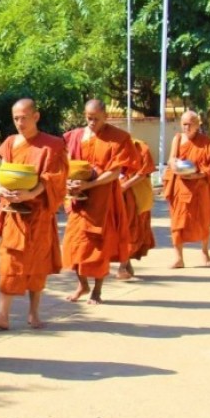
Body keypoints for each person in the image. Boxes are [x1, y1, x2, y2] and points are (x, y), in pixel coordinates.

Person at [0, 99, 67, 331]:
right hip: (14, 215)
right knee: (9, 263)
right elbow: (4, 172)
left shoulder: (52, 145)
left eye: (24, 118)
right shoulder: (10, 142)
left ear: (36, 116)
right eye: (16, 118)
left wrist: (31, 194)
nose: (20, 122)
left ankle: (34, 313)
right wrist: (1, 189)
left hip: (38, 214)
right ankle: (2, 315)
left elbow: (53, 178)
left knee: (37, 266)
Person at [62, 100, 132, 304]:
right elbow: (66, 163)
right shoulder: (75, 136)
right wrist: (70, 182)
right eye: (88, 118)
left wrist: (88, 185)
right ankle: (82, 284)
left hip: (103, 199)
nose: (91, 122)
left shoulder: (118, 138)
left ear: (106, 116)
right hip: (79, 200)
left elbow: (115, 172)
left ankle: (97, 291)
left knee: (100, 245)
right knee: (73, 244)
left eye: (96, 119)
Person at [164, 111, 210, 268]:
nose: (186, 127)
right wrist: (174, 165)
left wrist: (199, 175)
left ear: (197, 125)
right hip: (180, 185)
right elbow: (171, 159)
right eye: (184, 124)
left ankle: (205, 253)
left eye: (189, 124)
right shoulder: (177, 138)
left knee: (203, 220)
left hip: (199, 187)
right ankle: (178, 257)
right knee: (177, 222)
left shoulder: (207, 142)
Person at [118, 135, 157, 280]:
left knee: (130, 230)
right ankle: (125, 264)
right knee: (117, 229)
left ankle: (122, 266)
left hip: (136, 196)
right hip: (116, 194)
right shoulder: (109, 146)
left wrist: (124, 186)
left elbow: (144, 172)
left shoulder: (139, 147)